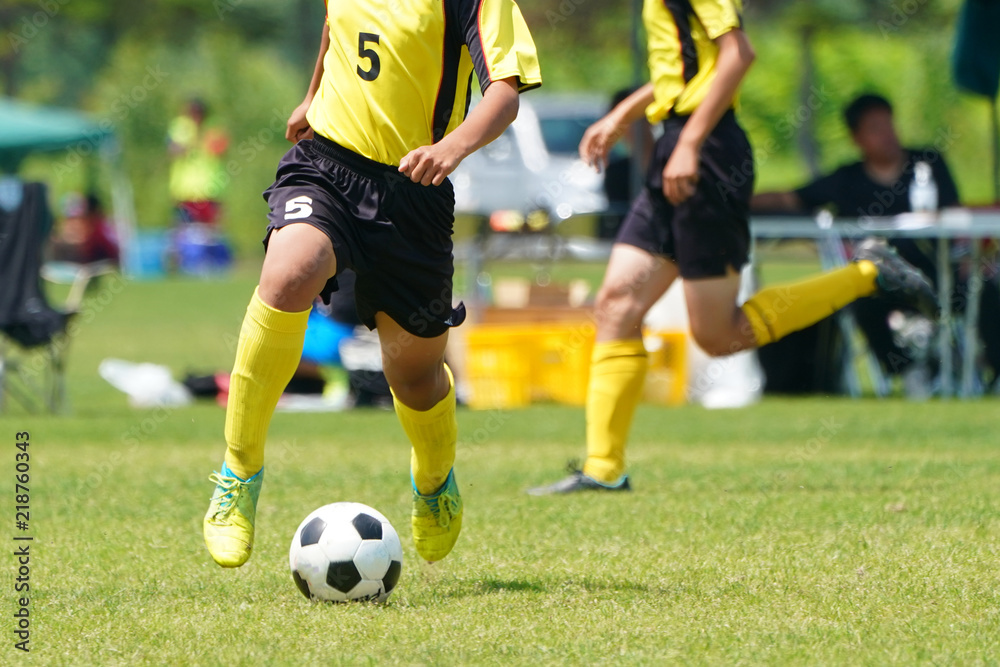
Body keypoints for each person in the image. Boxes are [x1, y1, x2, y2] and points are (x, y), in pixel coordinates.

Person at [528, 2, 937, 495]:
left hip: (708, 154)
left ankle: (867, 273)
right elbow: (684, 72)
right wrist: (622, 115)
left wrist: (691, 143)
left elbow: (738, 54)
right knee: (616, 303)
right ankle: (604, 468)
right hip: (676, 147)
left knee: (719, 337)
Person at [203, 0, 541, 567]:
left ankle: (433, 482)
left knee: (412, 375)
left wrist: (449, 148)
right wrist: (313, 96)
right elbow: (337, 23)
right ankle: (238, 473)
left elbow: (504, 93)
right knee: (290, 274)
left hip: (414, 194)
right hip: (328, 163)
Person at [752, 93, 1000, 387]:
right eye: (875, 128)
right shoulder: (846, 180)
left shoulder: (927, 164)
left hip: (937, 278)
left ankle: (993, 375)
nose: (887, 135)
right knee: (860, 301)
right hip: (881, 281)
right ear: (857, 138)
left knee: (985, 292)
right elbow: (790, 198)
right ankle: (910, 372)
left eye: (889, 125)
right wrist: (733, 199)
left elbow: (954, 215)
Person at [167, 98, 229, 225]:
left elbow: (220, 149)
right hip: (185, 194)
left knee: (210, 237)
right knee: (183, 235)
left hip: (209, 193)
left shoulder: (213, 130)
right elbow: (173, 149)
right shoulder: (181, 128)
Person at [49, 193, 119, 265]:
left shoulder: (98, 229)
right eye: (71, 220)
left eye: (78, 219)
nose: (74, 225)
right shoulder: (99, 228)